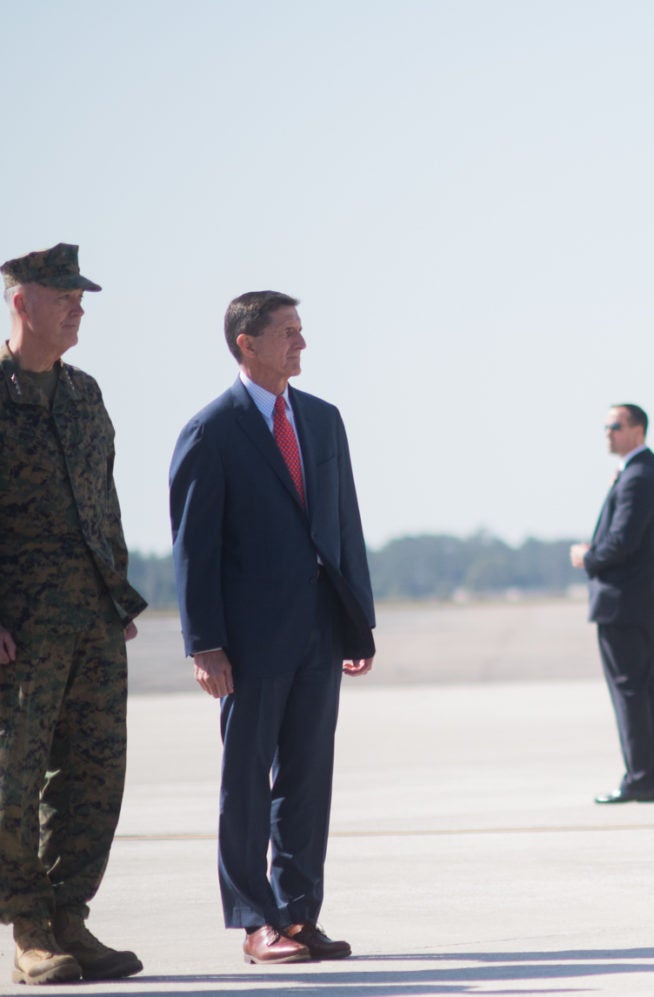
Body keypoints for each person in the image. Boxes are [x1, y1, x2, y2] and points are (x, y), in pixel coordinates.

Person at [168, 290, 377, 965]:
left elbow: (344, 526)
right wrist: (204, 643)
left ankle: (297, 913)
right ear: (246, 343)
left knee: (309, 777)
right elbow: (193, 549)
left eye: (301, 330)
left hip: (320, 629)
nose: (301, 344)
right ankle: (255, 920)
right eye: (288, 332)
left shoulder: (322, 419)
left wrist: (357, 623)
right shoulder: (212, 431)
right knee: (247, 781)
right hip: (250, 642)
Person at [0, 245, 148, 984]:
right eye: (63, 294)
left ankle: (69, 918)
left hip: (91, 618)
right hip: (18, 629)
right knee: (12, 781)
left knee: (93, 775)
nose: (78, 305)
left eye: (81, 295)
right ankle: (29, 930)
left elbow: (104, 501)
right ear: (21, 301)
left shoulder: (85, 395)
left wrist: (116, 593)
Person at [569, 403, 654, 804]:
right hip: (643, 600)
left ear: (637, 429)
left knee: (630, 690)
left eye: (615, 426)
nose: (608, 434)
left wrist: (588, 556)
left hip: (626, 602)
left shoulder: (639, 477)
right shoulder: (645, 472)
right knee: (645, 686)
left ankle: (640, 779)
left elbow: (622, 542)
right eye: (605, 427)